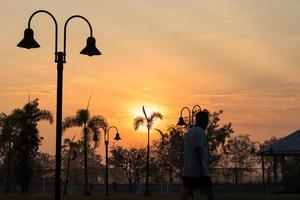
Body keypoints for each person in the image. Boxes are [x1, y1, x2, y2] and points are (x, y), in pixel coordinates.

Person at [181, 111, 216, 200]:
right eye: (207, 121)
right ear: (204, 121)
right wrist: (202, 170)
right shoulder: (200, 132)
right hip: (198, 171)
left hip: (188, 170)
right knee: (210, 194)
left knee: (186, 193)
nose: (207, 123)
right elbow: (198, 150)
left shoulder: (191, 131)